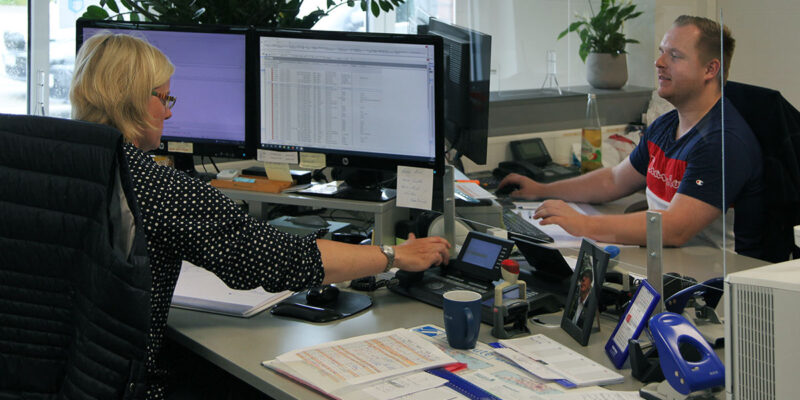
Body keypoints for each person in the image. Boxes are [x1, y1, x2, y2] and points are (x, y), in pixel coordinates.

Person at [69, 32, 451, 399]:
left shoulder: (54, 162)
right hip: (122, 385)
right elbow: (277, 258)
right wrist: (392, 255)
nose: (169, 112)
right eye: (164, 98)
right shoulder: (157, 187)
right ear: (134, 100)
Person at [498, 15, 765, 259]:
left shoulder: (722, 142)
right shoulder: (665, 126)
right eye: (661, 52)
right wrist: (540, 190)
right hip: (668, 261)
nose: (659, 63)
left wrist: (584, 225)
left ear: (710, 69)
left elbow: (675, 229)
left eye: (675, 55)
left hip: (713, 281)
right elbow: (613, 180)